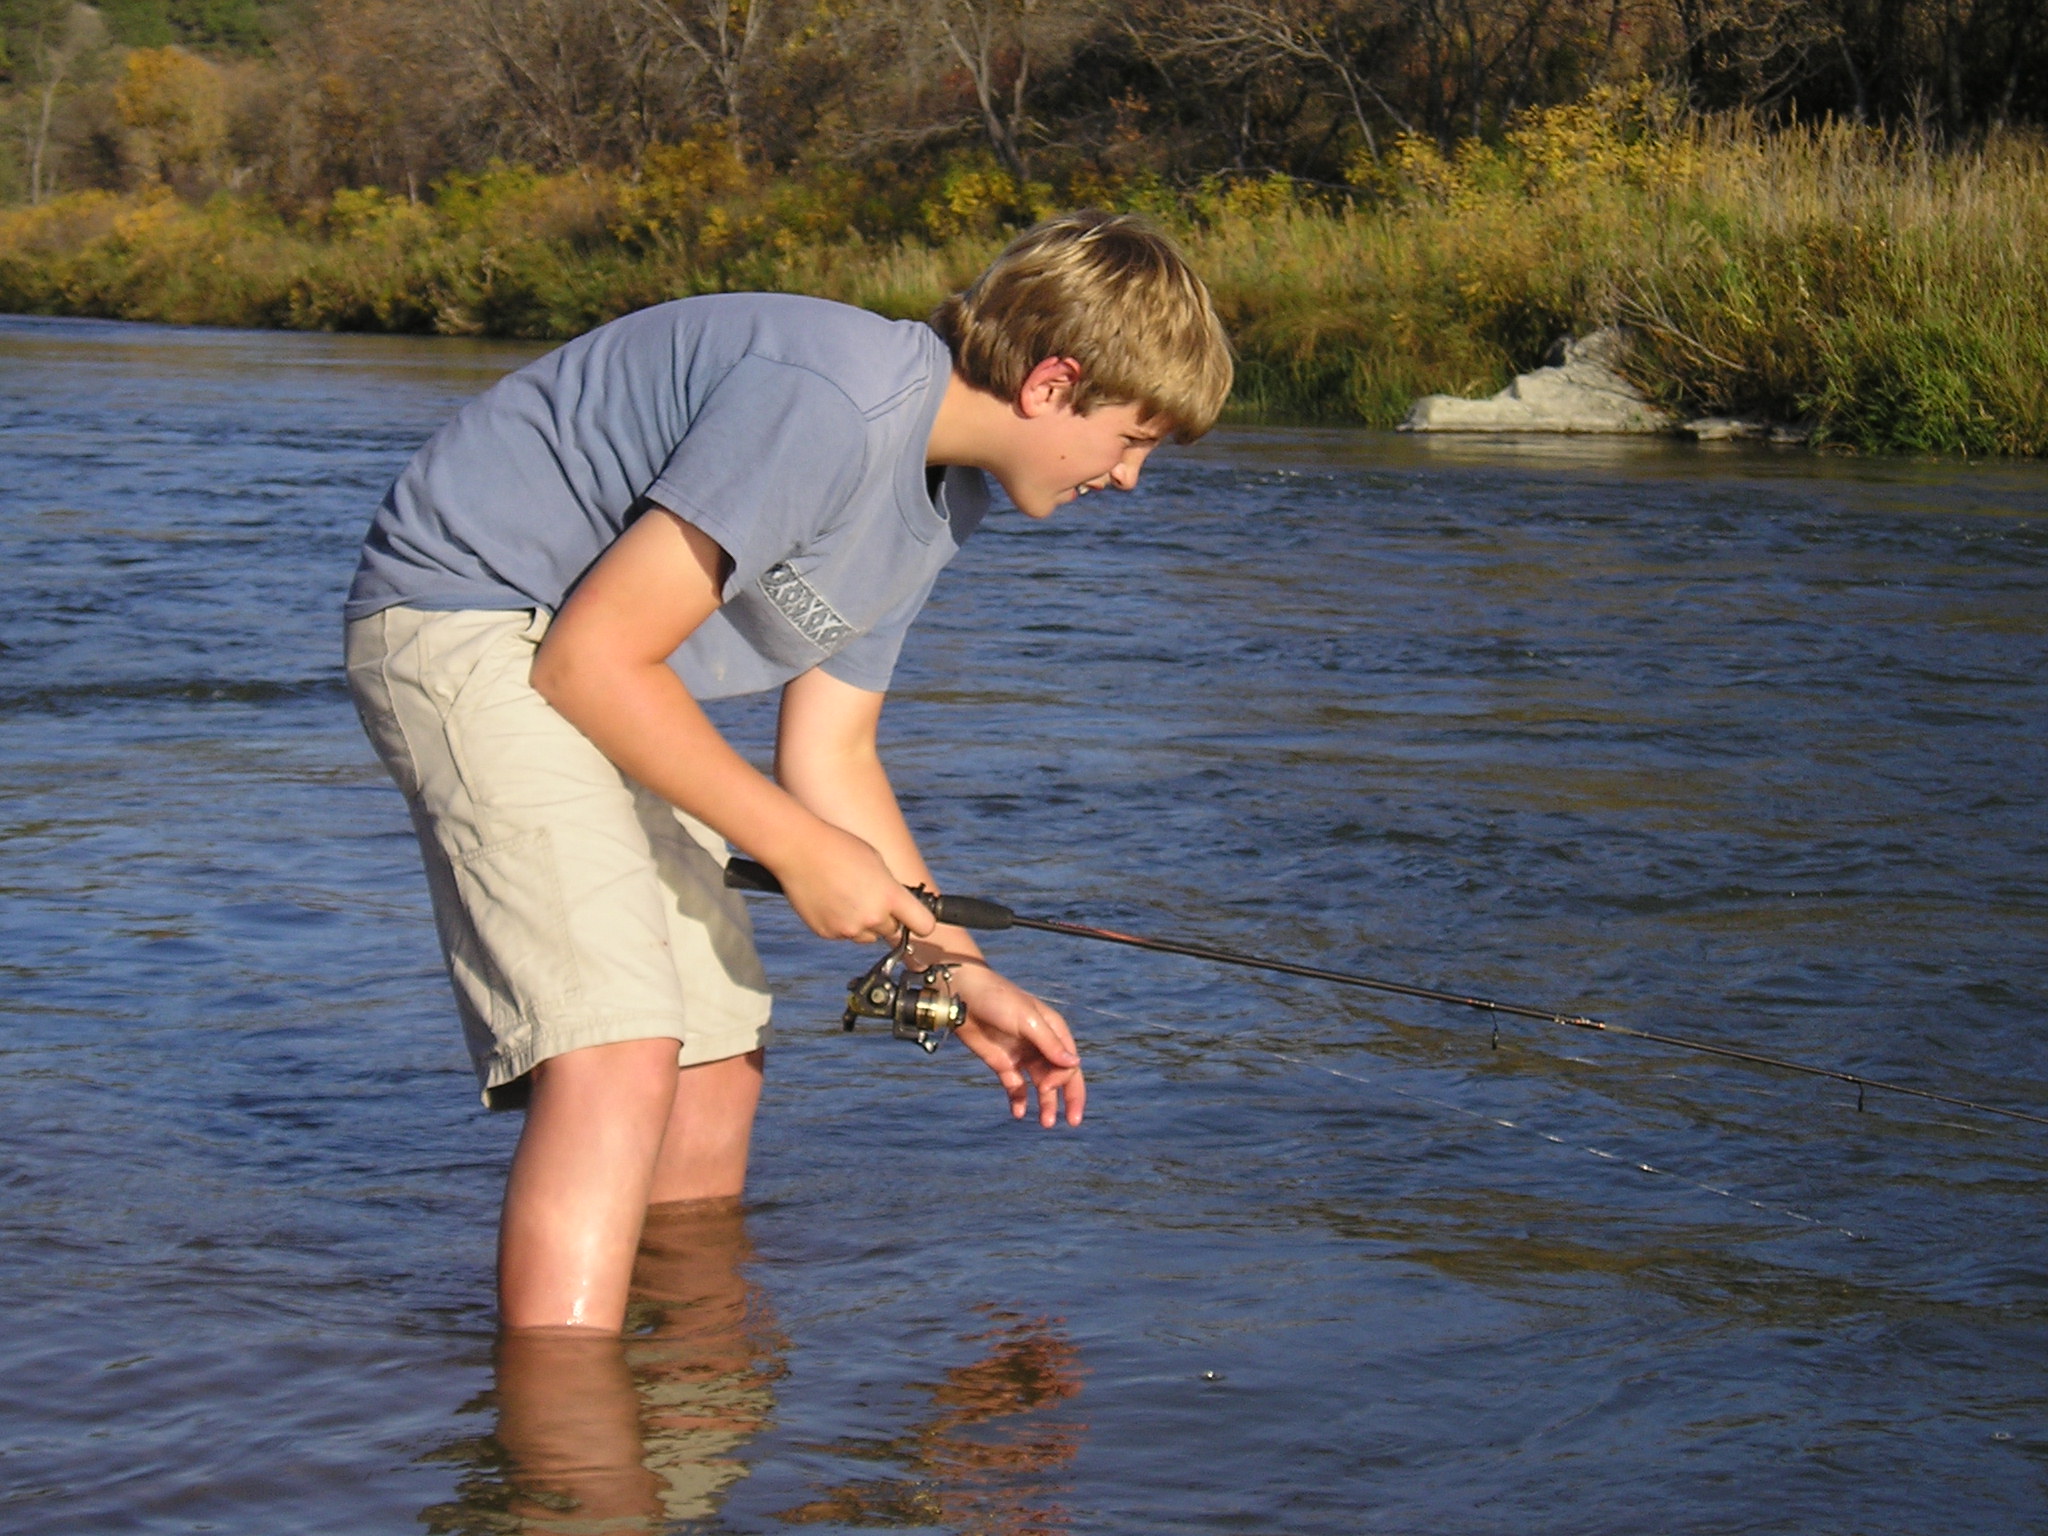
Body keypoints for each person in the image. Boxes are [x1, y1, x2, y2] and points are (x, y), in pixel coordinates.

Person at [343, 210, 1233, 1334]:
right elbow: (588, 661)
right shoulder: (836, 399)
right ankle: (565, 1452)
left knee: (714, 1059)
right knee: (617, 1048)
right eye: (1131, 439)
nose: (1131, 479)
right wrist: (803, 852)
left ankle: (684, 1392)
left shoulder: (941, 499)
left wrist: (953, 974)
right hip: (473, 617)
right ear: (1053, 386)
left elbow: (830, 753)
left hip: (600, 666)